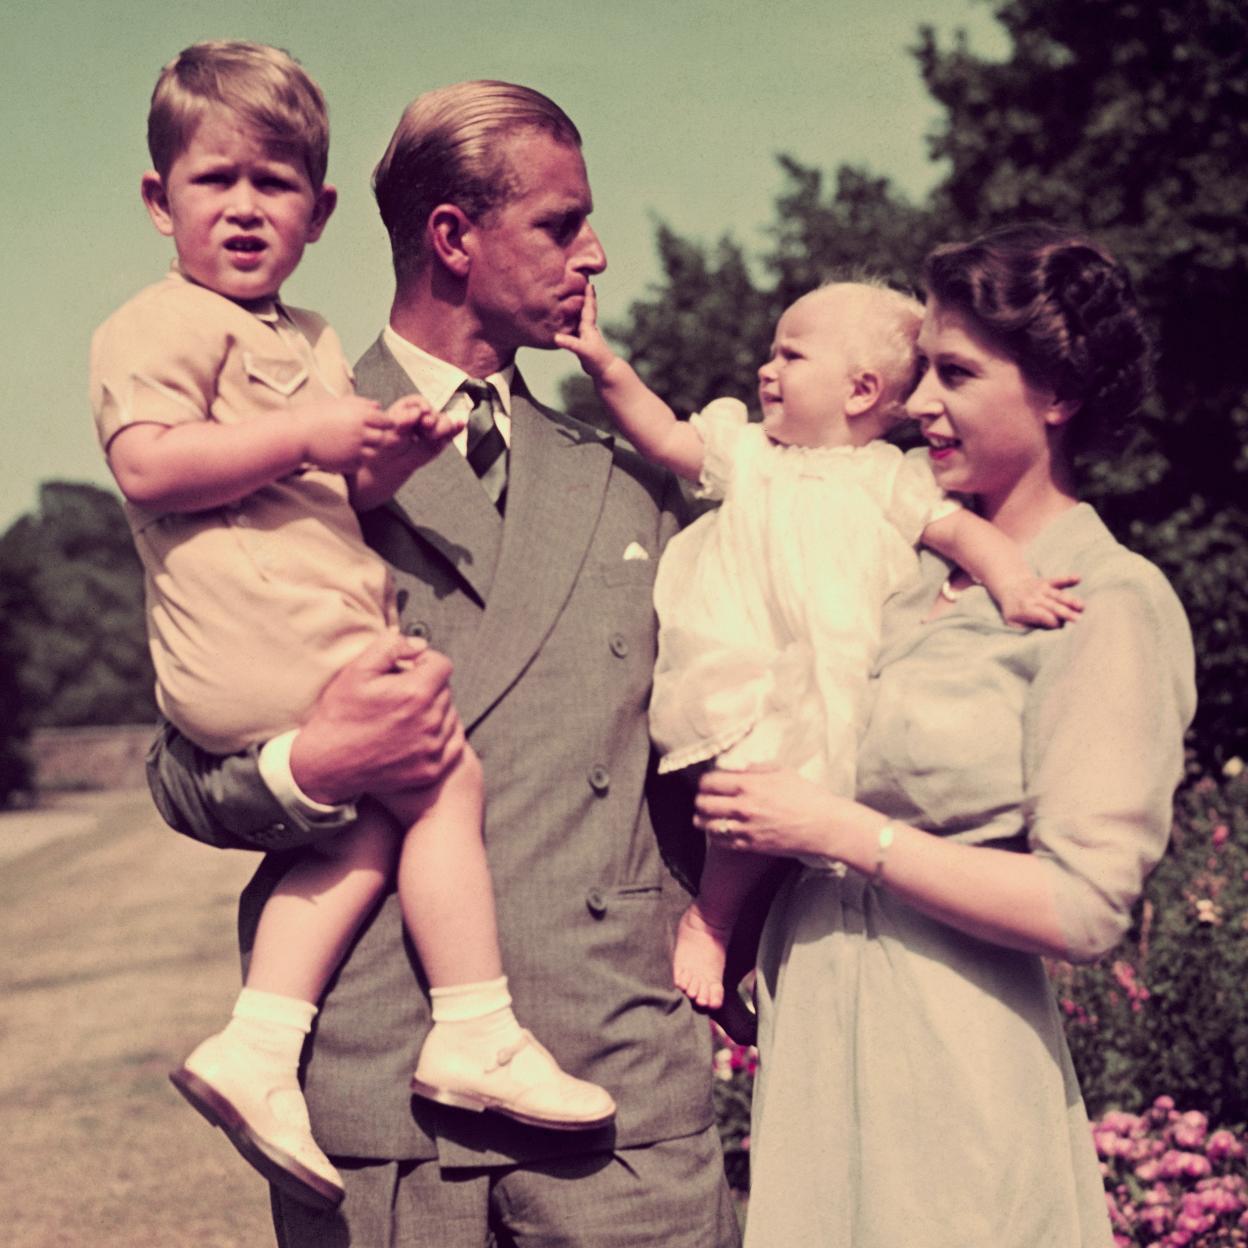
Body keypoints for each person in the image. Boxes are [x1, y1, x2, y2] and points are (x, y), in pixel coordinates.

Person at [144, 75, 741, 1247]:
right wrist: (311, 766)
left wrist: (728, 931)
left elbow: (709, 740)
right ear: (453, 238)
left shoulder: (624, 477)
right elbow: (180, 772)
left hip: (619, 1091)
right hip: (380, 1102)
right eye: (562, 224)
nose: (597, 253)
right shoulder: (266, 446)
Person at [90, 43, 616, 1214]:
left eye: (273, 187)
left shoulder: (320, 353)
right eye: (213, 182)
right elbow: (150, 466)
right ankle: (467, 1025)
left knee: (402, 808)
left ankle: (260, 1044)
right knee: (433, 779)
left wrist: (382, 460)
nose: (242, 210)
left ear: (318, 212)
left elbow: (335, 496)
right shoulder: (166, 329)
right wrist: (306, 766)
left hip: (616, 1076)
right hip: (265, 666)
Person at [692, 224, 1197, 1247]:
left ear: (1057, 394)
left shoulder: (1110, 598)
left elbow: (1086, 907)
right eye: (922, 371)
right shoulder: (892, 577)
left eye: (956, 374)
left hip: (955, 1066)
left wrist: (842, 833)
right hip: (815, 1041)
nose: (919, 404)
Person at [557, 279, 1083, 1033]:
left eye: (790, 354)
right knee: (752, 791)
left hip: (840, 676)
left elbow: (966, 536)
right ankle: (709, 921)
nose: (767, 369)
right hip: (745, 666)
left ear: (861, 389)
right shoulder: (750, 454)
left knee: (812, 820)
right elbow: (665, 436)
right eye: (772, 352)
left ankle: (746, 962)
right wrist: (605, 364)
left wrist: (1017, 583)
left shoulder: (888, 480)